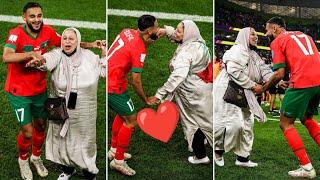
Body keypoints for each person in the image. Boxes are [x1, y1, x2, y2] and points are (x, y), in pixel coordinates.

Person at [2, 2, 102, 180]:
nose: (36, 19)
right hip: (18, 93)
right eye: (32, 16)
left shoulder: (48, 31)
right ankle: (23, 160)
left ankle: (36, 157)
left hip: (39, 91)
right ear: (24, 17)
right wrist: (32, 54)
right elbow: (7, 56)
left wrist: (90, 44)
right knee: (27, 131)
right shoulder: (16, 34)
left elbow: (66, 43)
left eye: (39, 15)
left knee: (41, 125)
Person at [26, 27, 106, 180]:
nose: (67, 41)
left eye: (71, 39)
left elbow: (103, 71)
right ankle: (68, 170)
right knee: (61, 139)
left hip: (85, 110)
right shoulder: (57, 54)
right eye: (64, 38)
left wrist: (104, 54)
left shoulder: (89, 57)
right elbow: (47, 61)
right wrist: (39, 61)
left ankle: (89, 172)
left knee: (86, 141)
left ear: (78, 41)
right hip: (60, 108)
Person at [253, 16, 320, 178]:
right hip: (318, 81)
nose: (266, 32)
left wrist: (263, 88)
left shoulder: (277, 41)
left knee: (285, 124)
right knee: (307, 118)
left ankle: (306, 167)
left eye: (267, 29)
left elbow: (279, 73)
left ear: (275, 28)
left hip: (302, 82)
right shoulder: (305, 35)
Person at [149, 20, 213, 164]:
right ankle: (208, 143)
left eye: (179, 31)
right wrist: (167, 31)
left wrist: (160, 93)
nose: (176, 33)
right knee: (206, 119)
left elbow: (178, 76)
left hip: (191, 92)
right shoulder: (197, 41)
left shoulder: (186, 52)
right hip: (203, 89)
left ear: (187, 34)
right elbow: (179, 37)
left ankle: (201, 157)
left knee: (193, 123)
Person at [107, 14, 159, 176]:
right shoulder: (139, 48)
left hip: (112, 78)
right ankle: (118, 161)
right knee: (131, 120)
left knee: (122, 114)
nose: (158, 28)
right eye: (156, 27)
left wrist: (148, 42)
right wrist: (146, 99)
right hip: (113, 86)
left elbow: (132, 50)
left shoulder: (127, 31)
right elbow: (135, 80)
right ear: (149, 31)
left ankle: (114, 150)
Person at [213, 27, 273, 168]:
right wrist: (253, 85)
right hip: (229, 89)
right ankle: (218, 150)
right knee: (231, 123)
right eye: (252, 34)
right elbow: (233, 71)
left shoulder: (253, 54)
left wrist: (277, 80)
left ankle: (243, 158)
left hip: (245, 91)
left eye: (256, 35)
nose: (256, 37)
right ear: (244, 36)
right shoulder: (238, 50)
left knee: (247, 124)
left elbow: (264, 69)